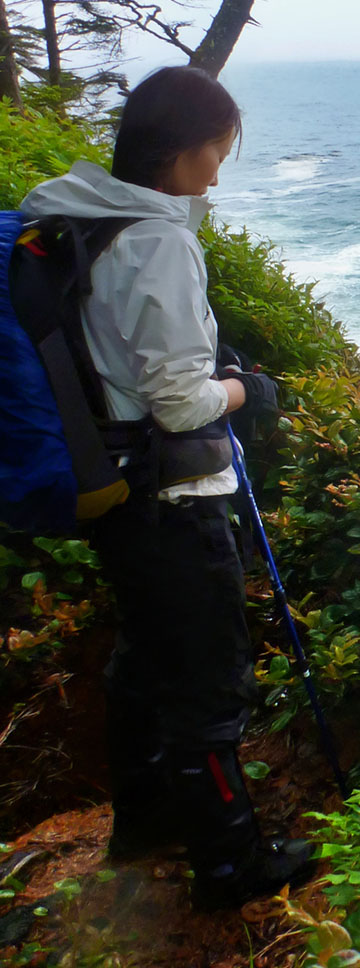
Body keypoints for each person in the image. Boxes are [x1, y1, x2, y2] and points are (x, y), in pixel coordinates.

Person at [19, 66, 316, 910]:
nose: (219, 171)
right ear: (182, 151)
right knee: (205, 680)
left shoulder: (68, 212)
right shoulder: (156, 242)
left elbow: (116, 348)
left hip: (110, 480)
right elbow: (180, 400)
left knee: (145, 658)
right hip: (170, 494)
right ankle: (231, 865)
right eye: (217, 152)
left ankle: (145, 823)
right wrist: (246, 392)